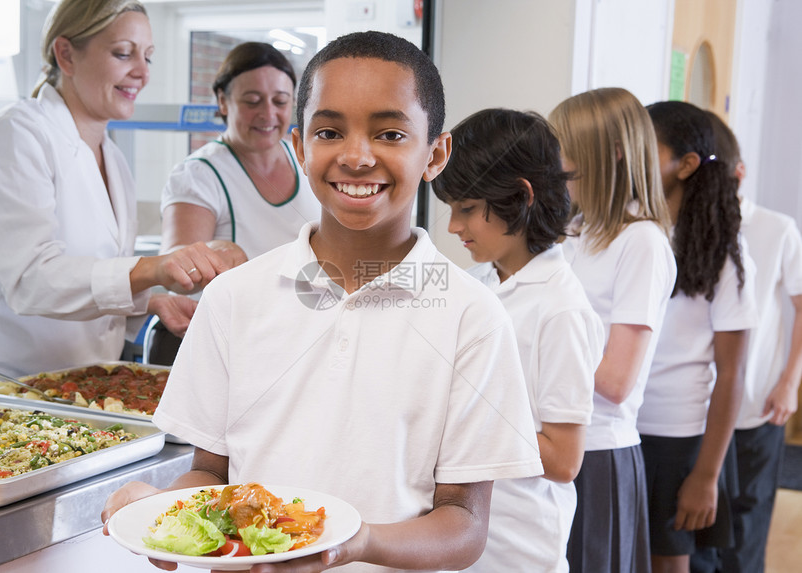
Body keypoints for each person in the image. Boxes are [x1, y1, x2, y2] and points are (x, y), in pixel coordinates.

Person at [101, 30, 544, 573]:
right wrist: (164, 512)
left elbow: (465, 526)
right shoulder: (234, 298)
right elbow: (210, 476)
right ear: (300, 145)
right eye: (330, 131)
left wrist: (356, 545)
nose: (357, 157)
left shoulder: (472, 318)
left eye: (389, 133)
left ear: (436, 153)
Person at [0, 0, 233, 392]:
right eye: (123, 53)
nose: (142, 73)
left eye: (147, 57)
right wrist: (154, 268)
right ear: (66, 54)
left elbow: (86, 280)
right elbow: (31, 279)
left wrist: (147, 303)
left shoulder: (112, 158)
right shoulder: (17, 133)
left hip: (77, 388)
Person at [432, 108, 604, 572]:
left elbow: (564, 459)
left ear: (521, 197)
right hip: (458, 532)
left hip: (518, 546)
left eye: (466, 209)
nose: (453, 227)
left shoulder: (561, 310)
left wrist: (458, 416)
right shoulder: (477, 281)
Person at [548, 87, 677, 573]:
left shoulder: (641, 242)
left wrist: (536, 351)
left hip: (600, 452)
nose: (558, 165)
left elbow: (617, 382)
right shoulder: (577, 233)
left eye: (566, 152)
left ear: (611, 155)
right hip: (556, 440)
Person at [638, 101, 758, 573]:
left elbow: (732, 373)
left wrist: (707, 474)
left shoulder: (724, 251)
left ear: (686, 165)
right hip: (618, 427)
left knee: (670, 561)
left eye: (648, 148)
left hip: (678, 437)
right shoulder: (629, 229)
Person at [148, 41, 321, 364]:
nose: (268, 114)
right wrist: (214, 253)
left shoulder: (307, 161)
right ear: (223, 102)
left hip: (292, 341)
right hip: (218, 347)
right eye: (252, 101)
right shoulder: (198, 175)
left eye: (280, 101)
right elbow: (174, 271)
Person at [704, 111, 802, 572]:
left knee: (747, 529)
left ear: (739, 173)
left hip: (760, 402)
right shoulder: (693, 229)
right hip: (700, 409)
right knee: (704, 535)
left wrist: (790, 382)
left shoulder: (777, 229)